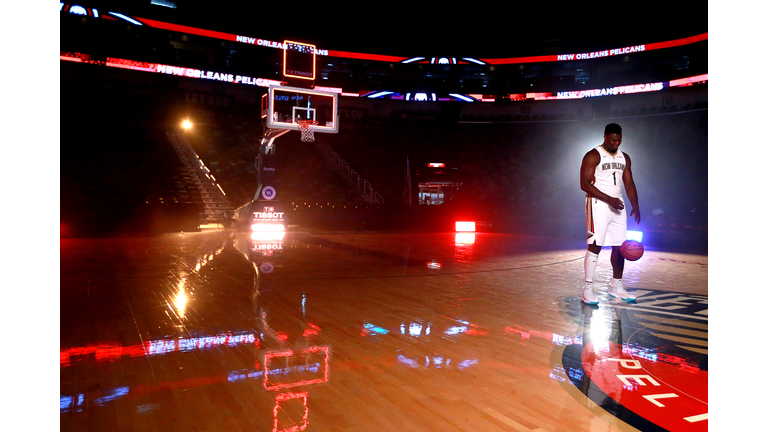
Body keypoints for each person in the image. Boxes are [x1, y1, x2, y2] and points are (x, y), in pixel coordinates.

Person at [579, 123, 641, 305]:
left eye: (619, 140)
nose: (616, 143)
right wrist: (609, 199)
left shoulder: (624, 157)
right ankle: (588, 289)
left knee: (620, 246)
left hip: (617, 204)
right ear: (605, 137)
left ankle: (616, 285)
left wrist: (635, 206)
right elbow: (584, 184)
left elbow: (629, 183)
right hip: (597, 203)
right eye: (613, 140)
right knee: (595, 245)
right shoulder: (593, 155)